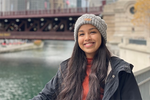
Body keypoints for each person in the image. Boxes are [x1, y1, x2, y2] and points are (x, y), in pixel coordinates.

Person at [31, 14, 142, 100]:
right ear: (77, 39)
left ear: (101, 36)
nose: (87, 38)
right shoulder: (66, 68)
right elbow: (44, 96)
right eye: (81, 34)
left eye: (92, 32)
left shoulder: (120, 70)